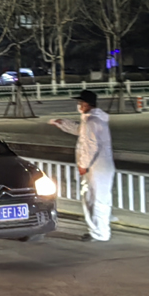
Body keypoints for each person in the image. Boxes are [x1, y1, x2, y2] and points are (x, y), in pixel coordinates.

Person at [49, 89, 115, 242]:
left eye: (80, 102)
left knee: (97, 200)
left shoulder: (93, 122)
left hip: (97, 167)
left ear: (87, 104)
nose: (79, 105)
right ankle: (97, 231)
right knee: (93, 199)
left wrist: (83, 165)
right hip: (97, 166)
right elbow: (81, 131)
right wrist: (63, 124)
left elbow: (90, 145)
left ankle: (100, 233)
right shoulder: (91, 120)